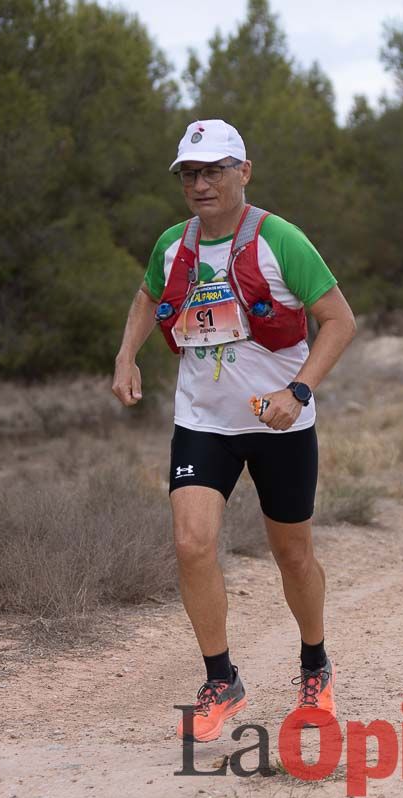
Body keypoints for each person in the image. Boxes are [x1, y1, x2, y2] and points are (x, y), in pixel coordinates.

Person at [111, 119, 356, 742]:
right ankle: (222, 679)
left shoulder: (282, 241)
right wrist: (126, 355)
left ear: (242, 172)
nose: (200, 184)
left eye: (214, 170)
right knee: (193, 545)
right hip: (202, 422)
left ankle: (314, 665)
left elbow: (339, 321)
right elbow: (147, 295)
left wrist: (297, 391)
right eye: (190, 173)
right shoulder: (172, 244)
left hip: (279, 424)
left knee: (293, 555)